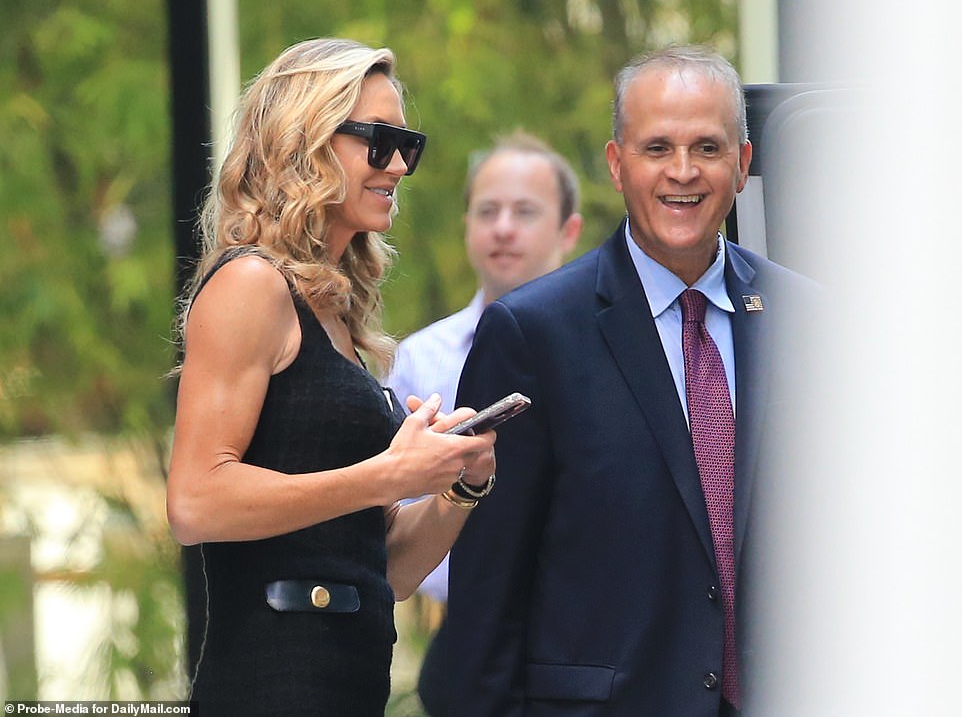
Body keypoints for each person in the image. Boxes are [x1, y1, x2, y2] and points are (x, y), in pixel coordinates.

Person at [446, 45, 820, 716]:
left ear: (743, 163)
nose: (683, 172)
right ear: (618, 165)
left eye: (707, 147)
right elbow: (485, 608)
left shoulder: (816, 323)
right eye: (658, 148)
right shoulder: (532, 336)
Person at [164, 38, 496, 717]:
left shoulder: (339, 311)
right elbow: (195, 500)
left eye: (407, 143)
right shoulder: (251, 285)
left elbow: (390, 571)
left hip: (346, 683)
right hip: (267, 681)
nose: (399, 164)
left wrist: (458, 485)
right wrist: (389, 474)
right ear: (305, 141)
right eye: (378, 141)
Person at [385, 131, 582, 714]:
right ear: (467, 225)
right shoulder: (419, 359)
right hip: (466, 648)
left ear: (569, 231)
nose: (503, 228)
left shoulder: (605, 352)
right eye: (487, 211)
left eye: (525, 212)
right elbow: (388, 510)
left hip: (587, 646)